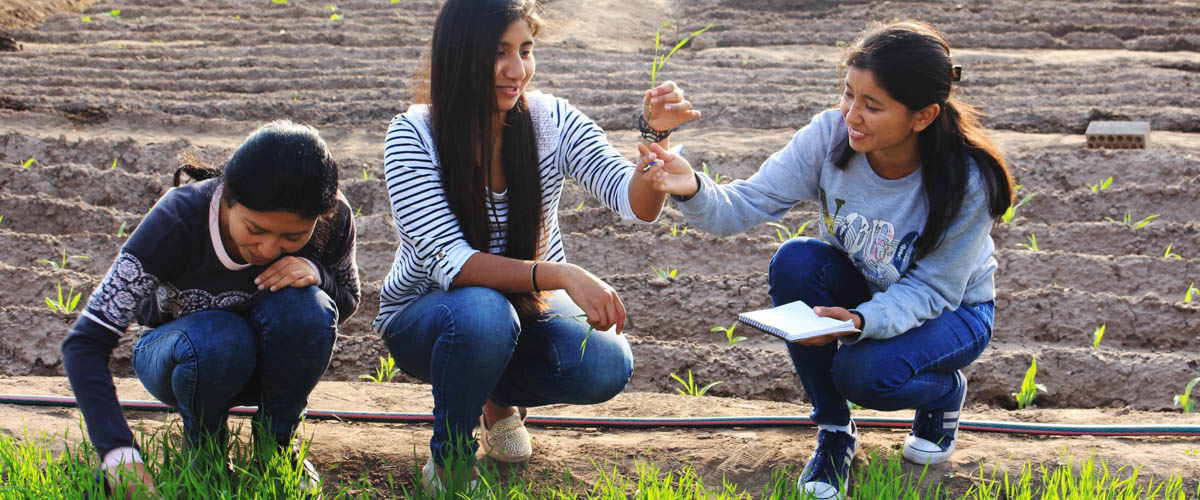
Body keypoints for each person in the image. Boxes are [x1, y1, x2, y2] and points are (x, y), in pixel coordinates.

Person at [641, 21, 1012, 500]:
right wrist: (690, 185)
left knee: (864, 374)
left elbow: (934, 290)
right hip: (870, 287)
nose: (851, 115)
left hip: (955, 310)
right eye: (848, 94)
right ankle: (835, 431)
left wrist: (861, 321)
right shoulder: (830, 135)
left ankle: (943, 394)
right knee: (795, 261)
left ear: (923, 115)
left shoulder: (967, 180)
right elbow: (745, 203)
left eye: (872, 106)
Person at [376, 0, 699, 491]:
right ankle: (449, 460)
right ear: (460, 54)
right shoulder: (414, 135)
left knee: (606, 363)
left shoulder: (551, 121)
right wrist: (562, 274)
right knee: (483, 313)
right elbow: (454, 264)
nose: (515, 69)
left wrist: (655, 141)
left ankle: (491, 396)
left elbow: (632, 201)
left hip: (521, 312)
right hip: (429, 320)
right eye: (498, 52)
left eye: (525, 50)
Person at [61, 120, 360, 497]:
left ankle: (278, 449)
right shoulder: (178, 219)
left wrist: (317, 272)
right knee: (221, 336)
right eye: (255, 229)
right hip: (179, 358)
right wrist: (118, 451)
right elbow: (85, 343)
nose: (269, 249)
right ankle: (205, 452)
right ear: (227, 196)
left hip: (269, 366)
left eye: (291, 236)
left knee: (308, 307)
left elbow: (345, 301)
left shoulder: (333, 219)